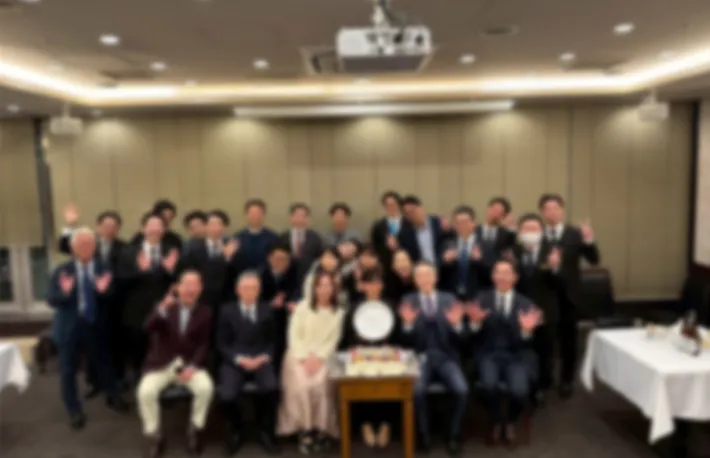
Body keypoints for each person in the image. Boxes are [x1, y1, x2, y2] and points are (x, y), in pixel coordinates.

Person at [47, 227, 129, 430]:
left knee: (104, 363)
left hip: (96, 325)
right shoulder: (62, 270)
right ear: (73, 247)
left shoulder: (103, 267)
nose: (86, 247)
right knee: (68, 370)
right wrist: (65, 293)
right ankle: (74, 409)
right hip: (69, 328)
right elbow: (51, 299)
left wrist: (103, 291)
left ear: (95, 247)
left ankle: (113, 396)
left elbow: (113, 296)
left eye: (90, 244)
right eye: (81, 244)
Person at [137, 270, 214, 458]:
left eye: (194, 285)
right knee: (145, 392)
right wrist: (162, 308)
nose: (190, 289)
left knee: (205, 388)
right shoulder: (165, 306)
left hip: (189, 364)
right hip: (162, 363)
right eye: (186, 285)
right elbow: (147, 327)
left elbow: (204, 344)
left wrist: (193, 366)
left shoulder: (206, 312)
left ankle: (195, 430)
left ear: (200, 289)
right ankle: (155, 436)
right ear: (178, 287)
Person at [467, 260, 542, 447]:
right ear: (492, 276)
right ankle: (495, 420)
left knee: (520, 391)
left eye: (507, 273)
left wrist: (526, 331)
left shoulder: (526, 303)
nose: (502, 277)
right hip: (489, 354)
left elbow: (534, 342)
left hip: (517, 356)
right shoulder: (481, 299)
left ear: (515, 277)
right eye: (498, 272)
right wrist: (475, 323)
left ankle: (510, 421)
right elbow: (470, 336)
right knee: (487, 386)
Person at [398, 262, 468, 456]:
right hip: (420, 358)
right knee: (417, 392)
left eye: (428, 275)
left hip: (446, 357)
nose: (425, 279)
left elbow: (463, 339)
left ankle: (453, 435)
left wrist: (457, 326)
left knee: (462, 390)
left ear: (435, 277)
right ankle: (424, 435)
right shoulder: (408, 300)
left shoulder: (449, 299)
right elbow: (403, 341)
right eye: (420, 276)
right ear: (415, 280)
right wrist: (407, 325)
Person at [57, 204, 127, 396]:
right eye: (105, 225)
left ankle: (115, 383)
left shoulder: (124, 247)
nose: (109, 229)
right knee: (89, 349)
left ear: (118, 229)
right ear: (98, 226)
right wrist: (71, 226)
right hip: (86, 305)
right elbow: (64, 247)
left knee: (111, 346)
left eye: (114, 226)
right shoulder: (87, 241)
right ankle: (94, 382)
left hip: (111, 303)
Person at [538, 193, 600, 398]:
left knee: (569, 340)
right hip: (545, 294)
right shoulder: (538, 234)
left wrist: (589, 240)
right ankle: (545, 380)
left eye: (556, 208)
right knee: (545, 340)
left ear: (562, 210)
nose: (552, 212)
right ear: (542, 212)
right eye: (547, 209)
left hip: (570, 296)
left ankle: (567, 380)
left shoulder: (575, 233)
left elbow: (594, 260)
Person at [278, 272, 345, 454]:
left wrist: (319, 357)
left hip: (324, 357)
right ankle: (305, 430)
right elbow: (293, 334)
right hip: (298, 355)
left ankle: (321, 429)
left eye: (328, 285)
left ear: (334, 289)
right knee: (303, 384)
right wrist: (304, 357)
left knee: (321, 383)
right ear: (314, 288)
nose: (324, 290)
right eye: (320, 285)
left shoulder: (338, 312)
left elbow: (333, 340)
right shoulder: (302, 307)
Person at [219, 272, 280, 455]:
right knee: (227, 395)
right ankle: (237, 429)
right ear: (237, 290)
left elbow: (273, 340)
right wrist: (238, 359)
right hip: (235, 360)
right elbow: (221, 343)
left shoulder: (267, 310)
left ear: (259, 291)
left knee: (271, 388)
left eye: (254, 288)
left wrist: (265, 357)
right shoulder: (226, 311)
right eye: (245, 288)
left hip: (260, 358)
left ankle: (265, 430)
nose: (249, 292)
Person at [339, 268, 399, 449]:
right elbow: (346, 336)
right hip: (361, 355)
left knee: (388, 382)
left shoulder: (390, 306)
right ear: (363, 286)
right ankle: (364, 424)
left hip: (385, 354)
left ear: (382, 286)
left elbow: (397, 336)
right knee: (361, 381)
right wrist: (357, 347)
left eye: (377, 283)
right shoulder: (354, 307)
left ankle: (386, 425)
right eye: (369, 283)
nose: (373, 287)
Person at [119, 212, 180, 381]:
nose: (155, 229)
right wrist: (140, 271)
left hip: (165, 308)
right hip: (137, 311)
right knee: (138, 349)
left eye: (159, 226)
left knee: (164, 348)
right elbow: (121, 281)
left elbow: (181, 281)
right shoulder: (128, 252)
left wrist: (170, 271)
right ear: (142, 228)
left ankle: (164, 382)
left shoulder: (172, 251)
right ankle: (140, 380)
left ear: (164, 229)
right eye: (151, 225)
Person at [512, 213, 562, 405]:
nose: (530, 233)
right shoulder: (513, 251)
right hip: (520, 310)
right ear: (519, 232)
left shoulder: (552, 251)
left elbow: (563, 284)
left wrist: (555, 268)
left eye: (534, 229)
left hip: (545, 310)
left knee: (545, 350)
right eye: (526, 229)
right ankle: (524, 385)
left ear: (542, 232)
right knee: (523, 349)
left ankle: (541, 386)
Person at [259, 244, 299, 371]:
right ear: (269, 259)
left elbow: (298, 293)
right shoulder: (260, 274)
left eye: (285, 259)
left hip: (288, 318)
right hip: (265, 320)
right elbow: (256, 300)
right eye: (278, 259)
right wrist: (270, 304)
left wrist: (291, 302)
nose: (281, 262)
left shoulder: (295, 273)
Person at [439, 205, 489, 301]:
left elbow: (491, 275)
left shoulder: (485, 245)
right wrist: (445, 261)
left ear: (474, 223)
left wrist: (480, 260)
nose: (462, 226)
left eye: (465, 222)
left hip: (478, 297)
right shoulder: (446, 244)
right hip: (452, 296)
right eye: (458, 223)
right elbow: (438, 273)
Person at [280, 203, 324, 287]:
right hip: (287, 280)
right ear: (291, 218)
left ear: (308, 219)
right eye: (297, 216)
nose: (300, 219)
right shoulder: (283, 237)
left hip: (309, 279)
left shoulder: (315, 237)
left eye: (303, 216)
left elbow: (320, 258)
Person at [370, 191, 419, 266]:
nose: (391, 207)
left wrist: (399, 245)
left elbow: (415, 245)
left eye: (393, 204)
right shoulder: (378, 226)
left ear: (399, 205)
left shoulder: (410, 224)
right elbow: (375, 247)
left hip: (406, 264)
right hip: (386, 265)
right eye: (387, 205)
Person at [476, 197, 517, 280]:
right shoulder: (474, 230)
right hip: (476, 274)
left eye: (499, 212)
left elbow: (512, 253)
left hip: (497, 277)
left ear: (504, 216)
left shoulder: (507, 234)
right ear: (488, 209)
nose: (494, 214)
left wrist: (511, 228)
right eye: (493, 209)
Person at [401, 195, 449, 266]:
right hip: (422, 270)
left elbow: (451, 239)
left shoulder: (439, 223)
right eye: (407, 213)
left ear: (421, 208)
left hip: (443, 267)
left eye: (412, 211)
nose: (411, 215)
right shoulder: (406, 234)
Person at [234, 199, 279, 271]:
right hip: (244, 276)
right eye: (252, 213)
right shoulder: (238, 237)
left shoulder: (273, 237)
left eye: (258, 213)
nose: (255, 216)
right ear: (246, 215)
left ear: (263, 215)